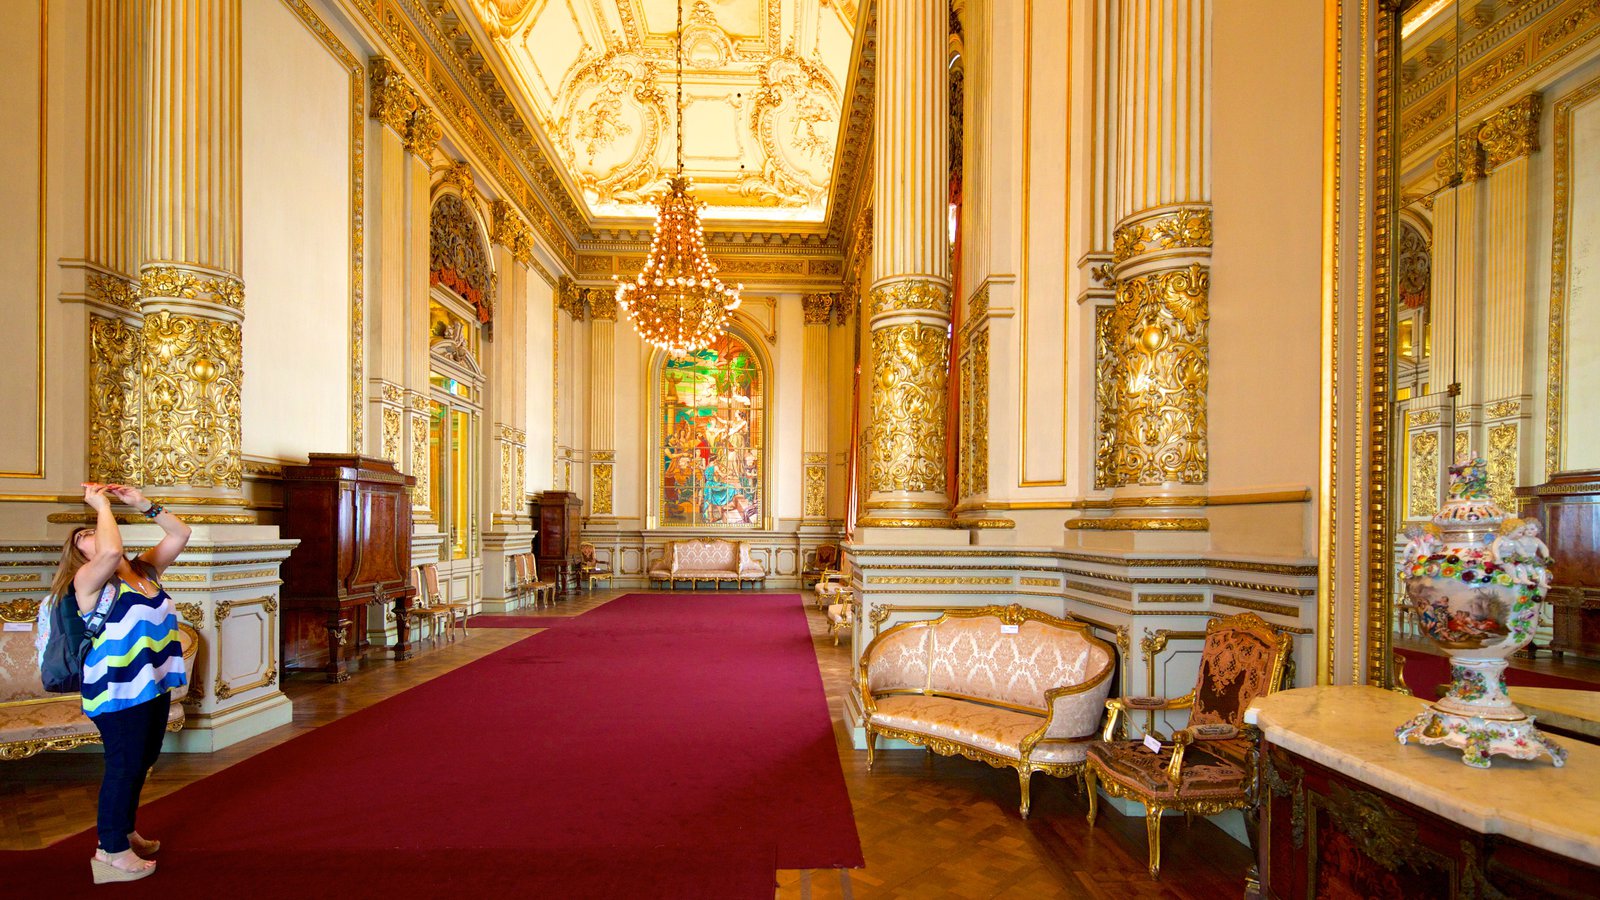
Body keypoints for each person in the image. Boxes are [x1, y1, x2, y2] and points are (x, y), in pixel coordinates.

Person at [48, 482, 191, 883]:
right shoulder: (88, 581)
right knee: (124, 765)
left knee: (142, 760)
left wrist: (142, 503)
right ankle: (110, 851)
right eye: (85, 535)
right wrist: (101, 505)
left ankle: (123, 830)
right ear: (80, 554)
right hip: (116, 689)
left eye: (96, 528)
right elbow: (110, 552)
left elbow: (180, 533)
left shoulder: (144, 570)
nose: (96, 533)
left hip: (151, 683)